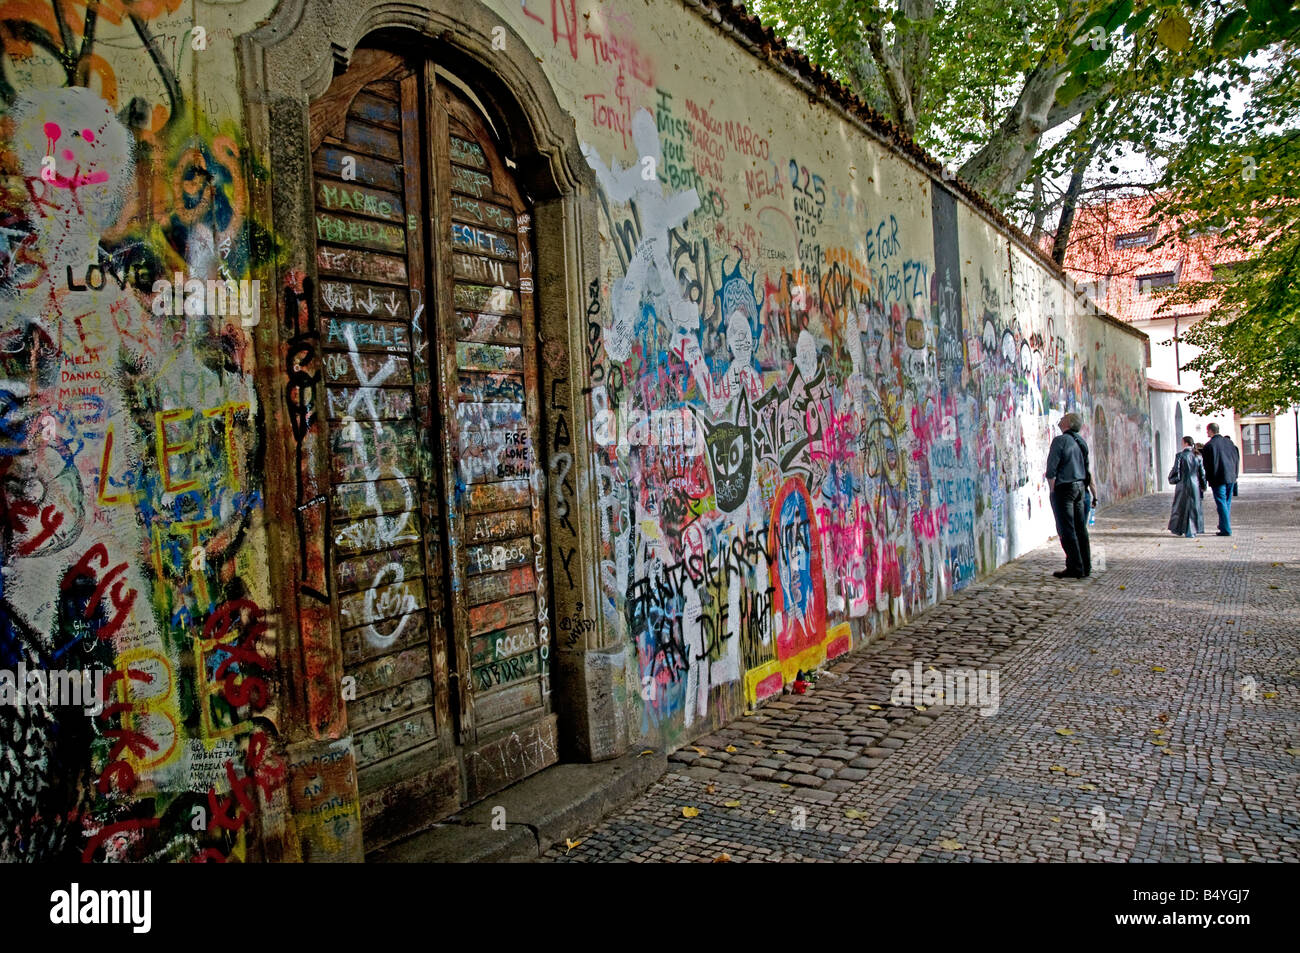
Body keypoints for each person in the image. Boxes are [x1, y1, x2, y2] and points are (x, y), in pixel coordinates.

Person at [1044, 412, 1093, 578]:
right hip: (1080, 487)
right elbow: (1087, 469)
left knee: (1066, 529)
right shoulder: (1080, 442)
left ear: (1068, 423)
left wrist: (1052, 490)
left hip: (1064, 488)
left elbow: (1051, 469)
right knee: (1080, 528)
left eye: (1064, 417)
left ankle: (1075, 567)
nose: (1061, 418)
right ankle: (1085, 565)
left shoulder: (1060, 441)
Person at [1200, 422, 1240, 536]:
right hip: (1231, 476)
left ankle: (1226, 529)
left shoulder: (1209, 446)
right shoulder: (1229, 443)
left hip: (1217, 478)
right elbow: (1236, 459)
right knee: (1227, 502)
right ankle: (1223, 525)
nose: (1207, 432)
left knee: (1221, 502)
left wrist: (1207, 479)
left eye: (1207, 430)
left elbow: (1207, 465)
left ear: (1211, 431)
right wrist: (1235, 475)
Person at [1167, 436, 1206, 538]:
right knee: (1194, 507)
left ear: (1185, 443)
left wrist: (1171, 478)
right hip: (1194, 485)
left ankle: (1181, 529)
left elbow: (1176, 470)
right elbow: (1202, 473)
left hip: (1182, 485)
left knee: (1181, 508)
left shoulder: (1180, 455)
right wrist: (1203, 485)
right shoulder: (1198, 456)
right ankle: (1192, 530)